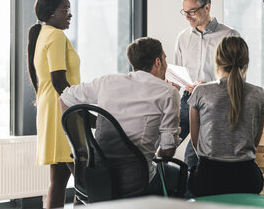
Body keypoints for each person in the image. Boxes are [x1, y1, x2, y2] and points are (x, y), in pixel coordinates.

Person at [59, 37, 183, 196]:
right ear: (158, 62)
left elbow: (64, 99)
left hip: (97, 176)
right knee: (182, 177)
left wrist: (80, 145)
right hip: (137, 180)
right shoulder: (167, 92)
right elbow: (167, 151)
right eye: (165, 59)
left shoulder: (108, 81)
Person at [187, 36, 264, 196]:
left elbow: (195, 142)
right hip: (246, 179)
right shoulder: (258, 94)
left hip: (208, 178)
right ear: (246, 61)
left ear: (217, 61)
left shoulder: (201, 92)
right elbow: (254, 141)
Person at [174, 0, 240, 169]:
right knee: (162, 146)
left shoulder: (229, 36)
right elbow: (178, 74)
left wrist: (208, 86)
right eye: (184, 11)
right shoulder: (182, 38)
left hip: (214, 105)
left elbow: (236, 79)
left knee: (192, 158)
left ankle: (193, 197)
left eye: (192, 11)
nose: (187, 17)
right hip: (187, 101)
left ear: (207, 7)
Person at [27, 0, 80, 208]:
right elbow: (59, 80)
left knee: (58, 181)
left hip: (51, 111)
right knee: (88, 181)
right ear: (50, 14)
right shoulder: (56, 36)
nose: (70, 14)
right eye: (64, 10)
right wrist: (82, 109)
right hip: (62, 112)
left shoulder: (43, 34)